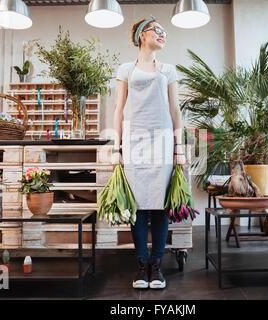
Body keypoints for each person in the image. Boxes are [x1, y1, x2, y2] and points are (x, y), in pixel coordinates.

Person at [112, 15, 185, 289]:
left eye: (165, 31)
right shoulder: (125, 70)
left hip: (163, 141)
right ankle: (141, 266)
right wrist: (116, 148)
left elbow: (175, 110)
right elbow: (119, 109)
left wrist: (179, 148)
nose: (163, 34)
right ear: (143, 34)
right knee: (139, 206)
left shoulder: (168, 69)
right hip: (134, 142)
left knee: (161, 205)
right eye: (158, 30)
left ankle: (157, 266)